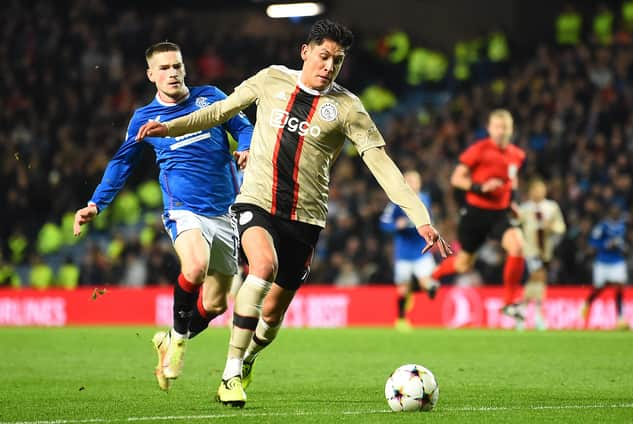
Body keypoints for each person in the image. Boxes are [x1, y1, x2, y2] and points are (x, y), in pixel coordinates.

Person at [137, 19, 451, 407]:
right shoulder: (271, 80)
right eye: (323, 56)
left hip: (305, 218)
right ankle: (230, 374)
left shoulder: (348, 108)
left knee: (270, 319)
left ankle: (248, 357)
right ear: (306, 51)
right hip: (256, 201)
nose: (328, 66)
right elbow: (220, 111)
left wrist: (420, 217)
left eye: (337, 61)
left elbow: (381, 164)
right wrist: (170, 128)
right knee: (261, 268)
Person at [72, 41, 253, 391]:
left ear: (185, 68)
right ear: (151, 75)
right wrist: (96, 203)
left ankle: (169, 337)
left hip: (225, 213)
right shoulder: (144, 119)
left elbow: (243, 126)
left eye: (177, 66)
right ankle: (179, 347)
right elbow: (122, 161)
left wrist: (244, 145)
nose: (172, 73)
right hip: (183, 210)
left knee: (216, 305)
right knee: (195, 266)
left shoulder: (210, 97)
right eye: (165, 68)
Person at [429, 109, 526, 320]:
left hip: (499, 214)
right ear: (490, 129)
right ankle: (435, 276)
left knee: (517, 245)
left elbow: (512, 181)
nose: (501, 132)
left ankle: (509, 303)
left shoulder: (516, 155)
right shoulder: (478, 150)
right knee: (464, 264)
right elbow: (456, 179)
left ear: (511, 130)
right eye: (497, 127)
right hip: (475, 213)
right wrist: (481, 187)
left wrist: (512, 203)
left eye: (505, 128)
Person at [380, 170, 438, 330]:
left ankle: (426, 287)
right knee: (402, 288)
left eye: (416, 181)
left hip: (421, 251)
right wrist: (396, 225)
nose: (414, 184)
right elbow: (383, 223)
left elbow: (430, 220)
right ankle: (400, 319)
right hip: (403, 253)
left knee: (427, 282)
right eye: (410, 181)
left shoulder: (425, 199)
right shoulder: (396, 202)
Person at [518, 179, 566, 330]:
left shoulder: (551, 207)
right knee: (539, 276)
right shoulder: (524, 209)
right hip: (530, 250)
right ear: (530, 192)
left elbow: (561, 227)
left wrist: (551, 226)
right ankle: (538, 315)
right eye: (536, 189)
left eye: (541, 189)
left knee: (537, 282)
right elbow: (516, 224)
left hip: (546, 250)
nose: (539, 192)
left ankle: (522, 311)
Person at [582, 203, 629, 329]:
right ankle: (587, 303)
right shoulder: (602, 226)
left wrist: (624, 247)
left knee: (619, 287)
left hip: (617, 261)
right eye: (613, 211)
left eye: (617, 211)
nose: (615, 213)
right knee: (600, 288)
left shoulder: (623, 226)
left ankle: (620, 317)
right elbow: (593, 242)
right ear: (609, 213)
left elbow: (627, 242)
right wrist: (606, 245)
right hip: (603, 261)